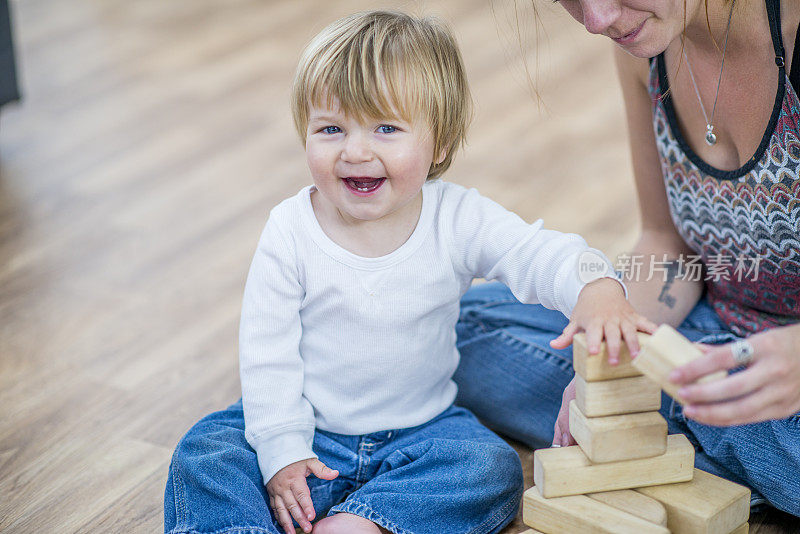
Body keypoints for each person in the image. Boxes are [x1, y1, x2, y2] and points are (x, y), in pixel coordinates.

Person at [164, 9, 656, 534]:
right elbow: (266, 353)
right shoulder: (289, 230)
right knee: (207, 453)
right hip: (310, 432)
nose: (355, 151)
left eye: (385, 128)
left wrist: (596, 286)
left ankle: (362, 523)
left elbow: (538, 252)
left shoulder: (457, 218)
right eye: (331, 128)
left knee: (488, 469)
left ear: (439, 144)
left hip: (422, 433)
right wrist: (282, 449)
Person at [454, 0, 800, 517]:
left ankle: (670, 446)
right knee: (451, 326)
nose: (596, 19)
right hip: (713, 329)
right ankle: (702, 455)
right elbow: (667, 243)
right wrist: (603, 364)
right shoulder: (646, 45)